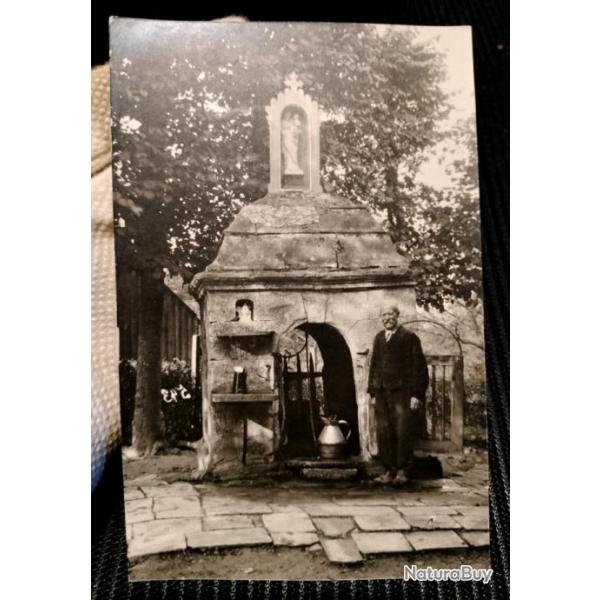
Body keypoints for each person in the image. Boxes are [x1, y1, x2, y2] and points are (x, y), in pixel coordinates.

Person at [367, 305, 429, 485]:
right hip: (381, 392)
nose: (387, 318)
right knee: (384, 431)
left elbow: (419, 368)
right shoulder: (379, 338)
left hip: (402, 393)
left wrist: (417, 395)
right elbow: (374, 366)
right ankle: (388, 471)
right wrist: (372, 391)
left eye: (391, 314)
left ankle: (402, 471)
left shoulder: (409, 337)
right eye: (384, 314)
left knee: (402, 431)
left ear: (397, 316)